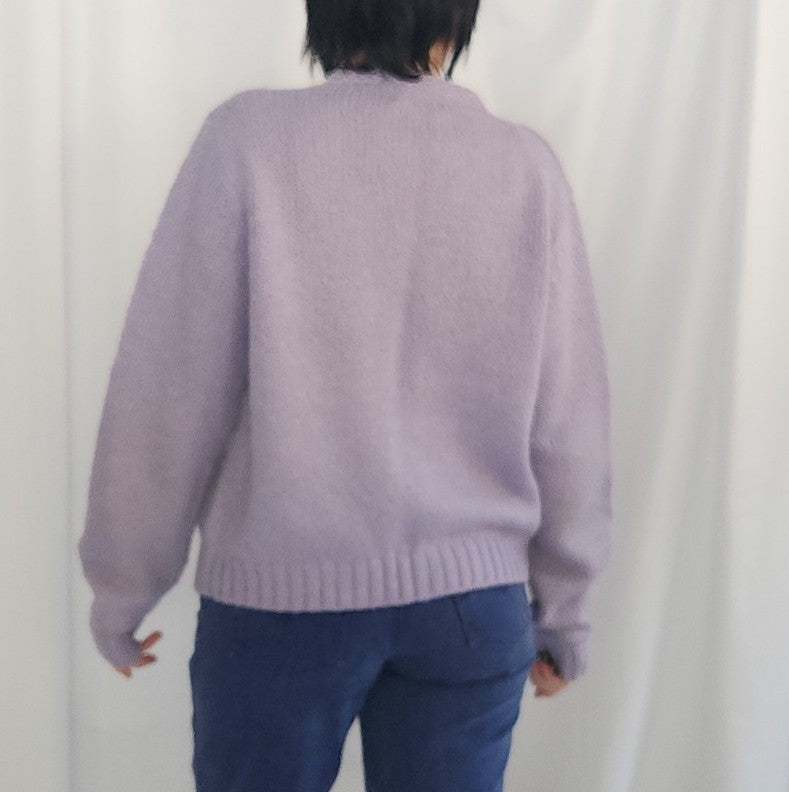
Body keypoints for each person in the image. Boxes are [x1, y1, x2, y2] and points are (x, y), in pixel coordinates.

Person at [77, 1, 613, 789]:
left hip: (280, 605)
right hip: (471, 609)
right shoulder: (525, 167)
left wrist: (123, 584)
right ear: (455, 22)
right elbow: (568, 418)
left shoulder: (248, 142)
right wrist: (565, 612)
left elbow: (168, 390)